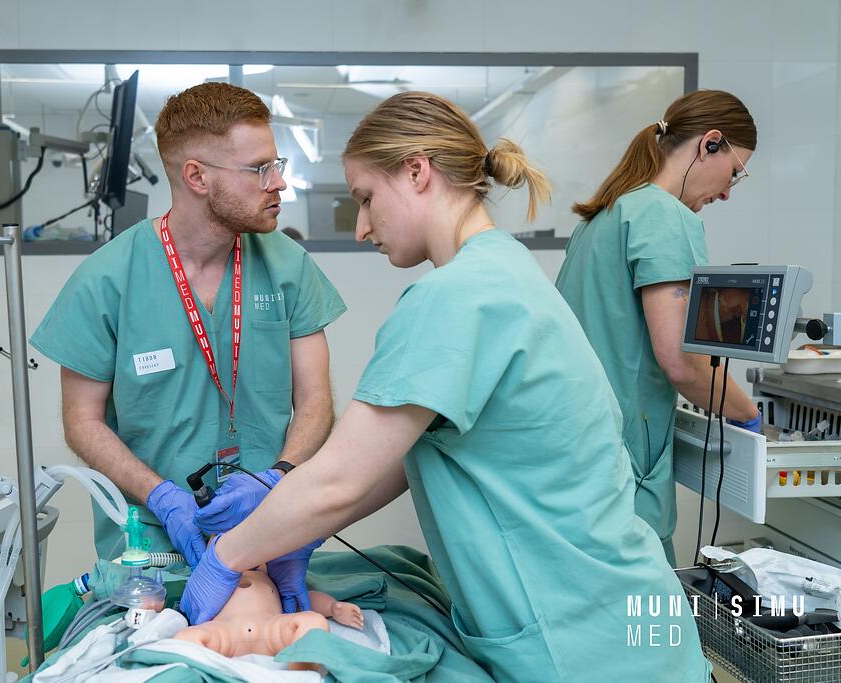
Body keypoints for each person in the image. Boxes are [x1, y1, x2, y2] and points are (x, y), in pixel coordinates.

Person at [178, 92, 711, 681]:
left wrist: (229, 556)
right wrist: (292, 525)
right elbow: (397, 456)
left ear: (416, 171)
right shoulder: (502, 268)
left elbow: (341, 479)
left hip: (583, 641)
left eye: (365, 199)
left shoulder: (455, 297)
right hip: (622, 616)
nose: (361, 228)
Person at [30, 82, 346, 564]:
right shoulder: (107, 280)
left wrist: (277, 477)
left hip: (268, 527)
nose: (278, 183)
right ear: (197, 176)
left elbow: (316, 400)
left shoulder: (288, 266)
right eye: (260, 169)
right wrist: (159, 496)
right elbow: (82, 422)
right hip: (153, 544)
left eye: (277, 165)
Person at [555, 90, 761, 565]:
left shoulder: (604, 215)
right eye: (734, 172)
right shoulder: (665, 216)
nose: (727, 192)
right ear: (710, 143)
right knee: (645, 603)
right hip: (621, 463)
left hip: (578, 451)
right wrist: (748, 415)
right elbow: (682, 363)